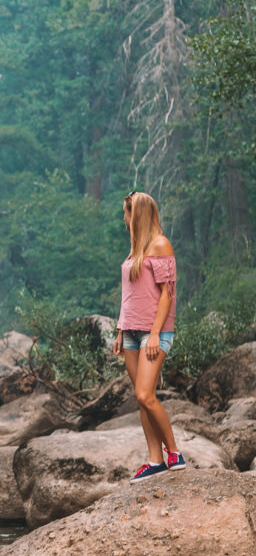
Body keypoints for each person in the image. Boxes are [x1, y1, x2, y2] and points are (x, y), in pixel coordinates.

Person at [111, 191, 186, 483]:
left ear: (137, 213)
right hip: (130, 332)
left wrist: (155, 333)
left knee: (145, 394)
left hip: (154, 334)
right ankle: (155, 460)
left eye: (126, 214)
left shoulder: (160, 244)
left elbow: (168, 294)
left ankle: (175, 453)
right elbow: (129, 295)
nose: (124, 220)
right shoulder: (136, 250)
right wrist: (120, 330)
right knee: (141, 400)